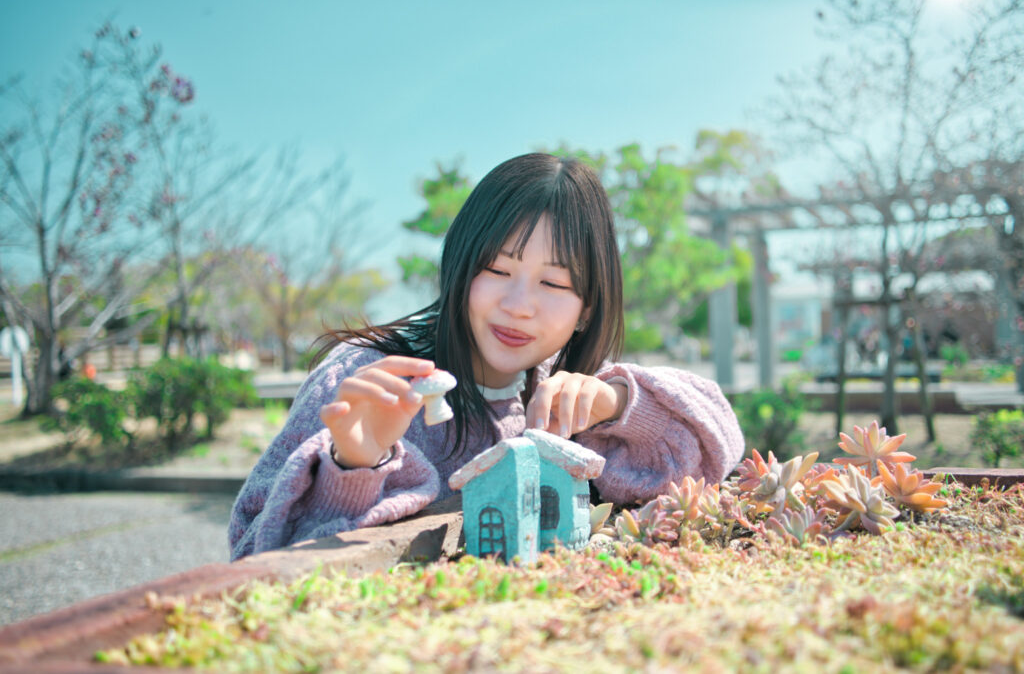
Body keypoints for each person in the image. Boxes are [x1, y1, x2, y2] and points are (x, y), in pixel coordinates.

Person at [229, 153, 744, 560]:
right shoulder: (368, 380)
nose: (518, 306)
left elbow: (715, 453)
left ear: (587, 309)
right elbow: (255, 555)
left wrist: (617, 401)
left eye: (553, 282)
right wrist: (352, 467)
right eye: (497, 271)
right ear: (459, 266)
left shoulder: (564, 397)